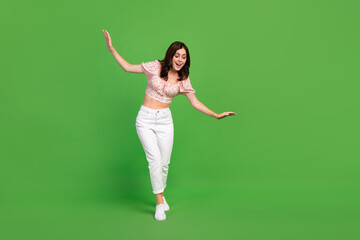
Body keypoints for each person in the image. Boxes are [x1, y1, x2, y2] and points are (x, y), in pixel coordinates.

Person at [102, 29, 236, 221]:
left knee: (164, 164)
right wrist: (112, 49)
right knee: (155, 161)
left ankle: (161, 197)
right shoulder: (154, 67)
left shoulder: (183, 79)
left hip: (165, 121)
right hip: (145, 120)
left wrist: (215, 115)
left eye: (184, 57)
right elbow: (128, 67)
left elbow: (195, 102)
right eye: (177, 55)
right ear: (171, 55)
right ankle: (159, 203)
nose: (180, 59)